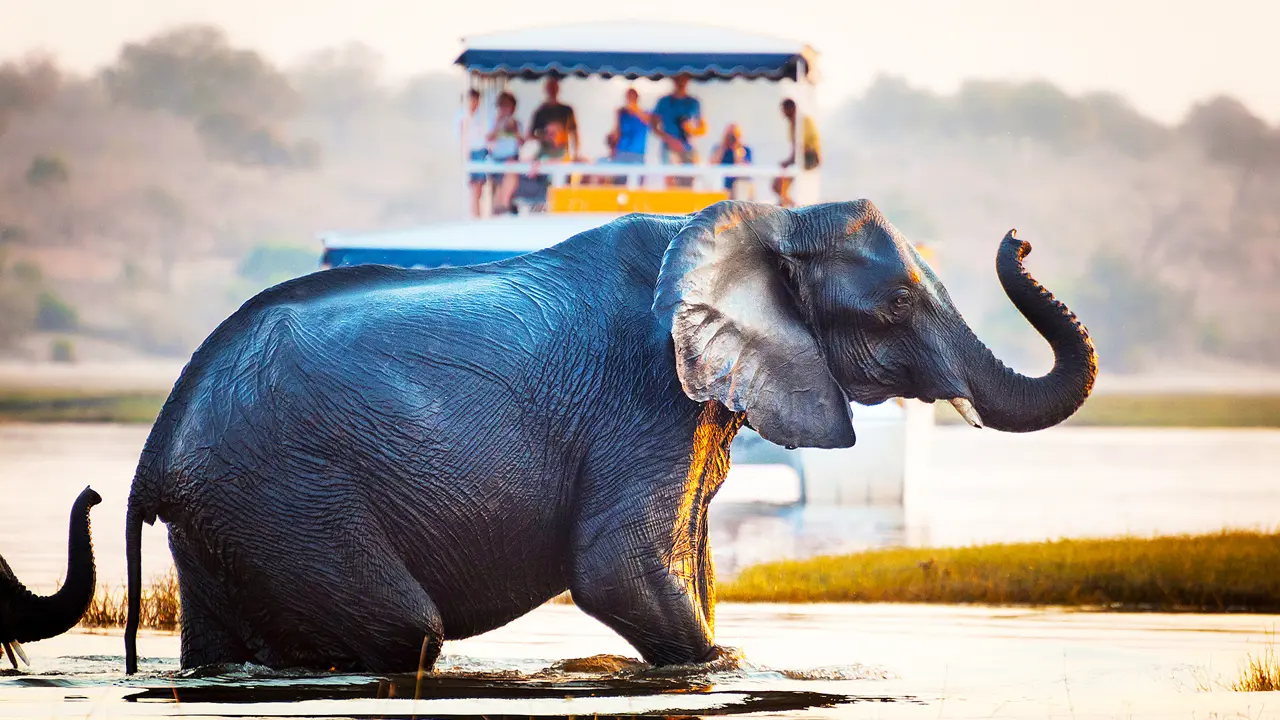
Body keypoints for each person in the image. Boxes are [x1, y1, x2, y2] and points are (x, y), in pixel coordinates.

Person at [649, 73, 706, 187]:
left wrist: (691, 130)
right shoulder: (664, 102)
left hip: (688, 148)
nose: (681, 82)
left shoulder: (693, 102)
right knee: (671, 182)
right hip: (669, 148)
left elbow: (703, 128)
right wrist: (669, 139)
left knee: (689, 182)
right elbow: (653, 124)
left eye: (684, 79)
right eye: (678, 79)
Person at [772, 98, 821, 207]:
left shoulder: (803, 121)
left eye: (784, 110)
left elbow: (801, 147)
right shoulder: (793, 123)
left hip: (809, 157)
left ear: (791, 109)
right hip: (800, 158)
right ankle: (786, 203)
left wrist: (789, 161)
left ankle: (789, 205)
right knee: (777, 186)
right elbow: (795, 147)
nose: (783, 113)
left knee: (781, 183)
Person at [487, 91, 525, 215]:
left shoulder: (516, 123)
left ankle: (504, 205)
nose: (505, 109)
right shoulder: (493, 121)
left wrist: (514, 130)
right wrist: (499, 125)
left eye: (508, 106)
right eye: (502, 106)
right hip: (496, 159)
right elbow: (489, 138)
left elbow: (522, 142)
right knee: (496, 188)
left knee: (510, 174)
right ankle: (500, 208)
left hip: (511, 158)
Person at [457, 89, 492, 218]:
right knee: (473, 184)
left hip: (481, 151)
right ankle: (474, 213)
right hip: (470, 152)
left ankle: (477, 213)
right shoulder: (462, 117)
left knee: (480, 184)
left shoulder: (482, 117)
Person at [529, 75, 579, 161]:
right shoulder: (540, 111)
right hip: (544, 154)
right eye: (550, 87)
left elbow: (574, 133)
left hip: (563, 153)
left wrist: (576, 153)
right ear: (546, 89)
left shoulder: (567, 110)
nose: (552, 90)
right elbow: (530, 135)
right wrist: (545, 136)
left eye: (554, 87)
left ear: (558, 89)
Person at [709, 123, 753, 198]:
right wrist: (723, 146)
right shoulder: (719, 148)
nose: (732, 138)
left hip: (739, 184)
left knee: (741, 187)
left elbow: (743, 167)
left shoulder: (745, 149)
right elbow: (712, 164)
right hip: (723, 183)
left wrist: (737, 148)